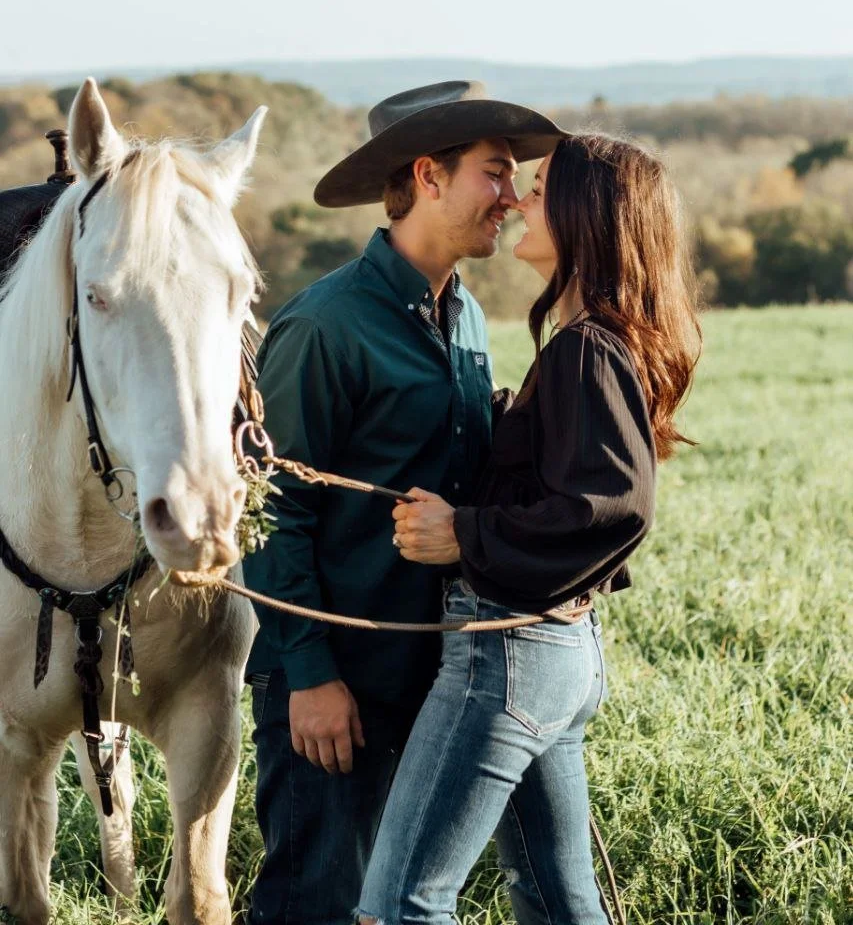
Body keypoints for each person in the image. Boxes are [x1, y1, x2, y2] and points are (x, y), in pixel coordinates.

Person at [358, 133, 701, 925]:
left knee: (399, 906)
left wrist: (463, 535)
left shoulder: (586, 348)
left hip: (508, 654)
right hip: (554, 655)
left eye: (538, 189)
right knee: (555, 904)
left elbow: (613, 503)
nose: (515, 199)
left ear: (586, 215)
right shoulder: (594, 340)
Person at [244, 81, 564, 925]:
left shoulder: (463, 316)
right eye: (495, 173)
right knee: (314, 900)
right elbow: (269, 510)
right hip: (335, 683)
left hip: (436, 676)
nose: (512, 197)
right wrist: (309, 676)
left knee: (392, 906)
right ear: (428, 175)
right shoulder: (324, 325)